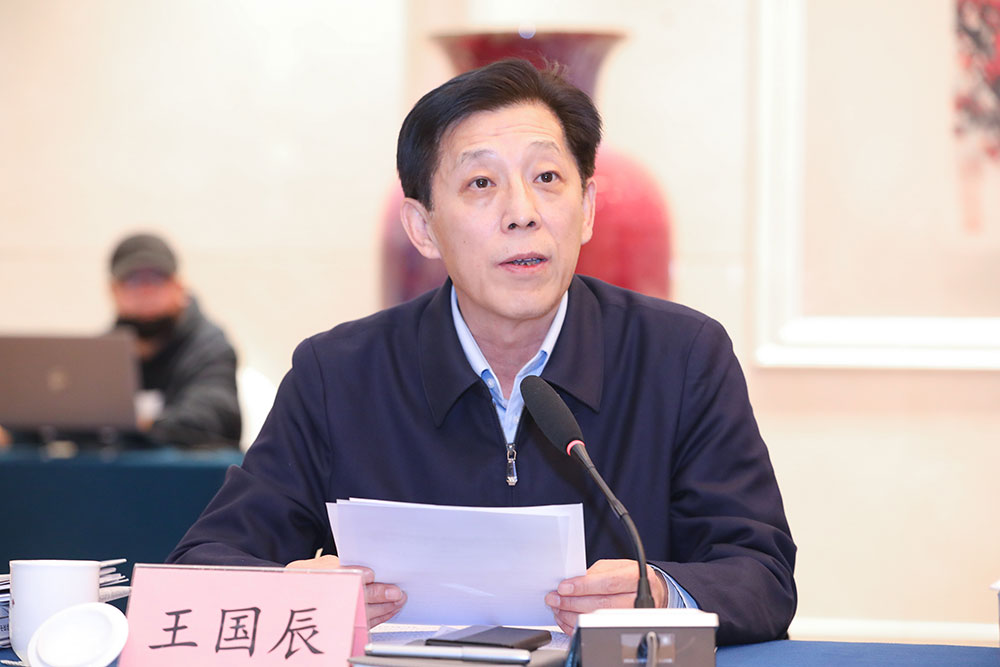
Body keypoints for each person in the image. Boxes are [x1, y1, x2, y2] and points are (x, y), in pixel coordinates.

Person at [168, 59, 795, 645]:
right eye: (481, 183)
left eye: (547, 178)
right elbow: (202, 568)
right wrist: (293, 593)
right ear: (422, 227)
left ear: (586, 209)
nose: (522, 213)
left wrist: (659, 593)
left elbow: (761, 574)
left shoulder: (680, 358)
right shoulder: (338, 375)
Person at [109, 232, 241, 448]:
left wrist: (140, 426)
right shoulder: (102, 356)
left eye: (156, 279)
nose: (146, 291)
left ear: (179, 287)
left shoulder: (211, 347)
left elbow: (214, 416)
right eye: (133, 280)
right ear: (114, 291)